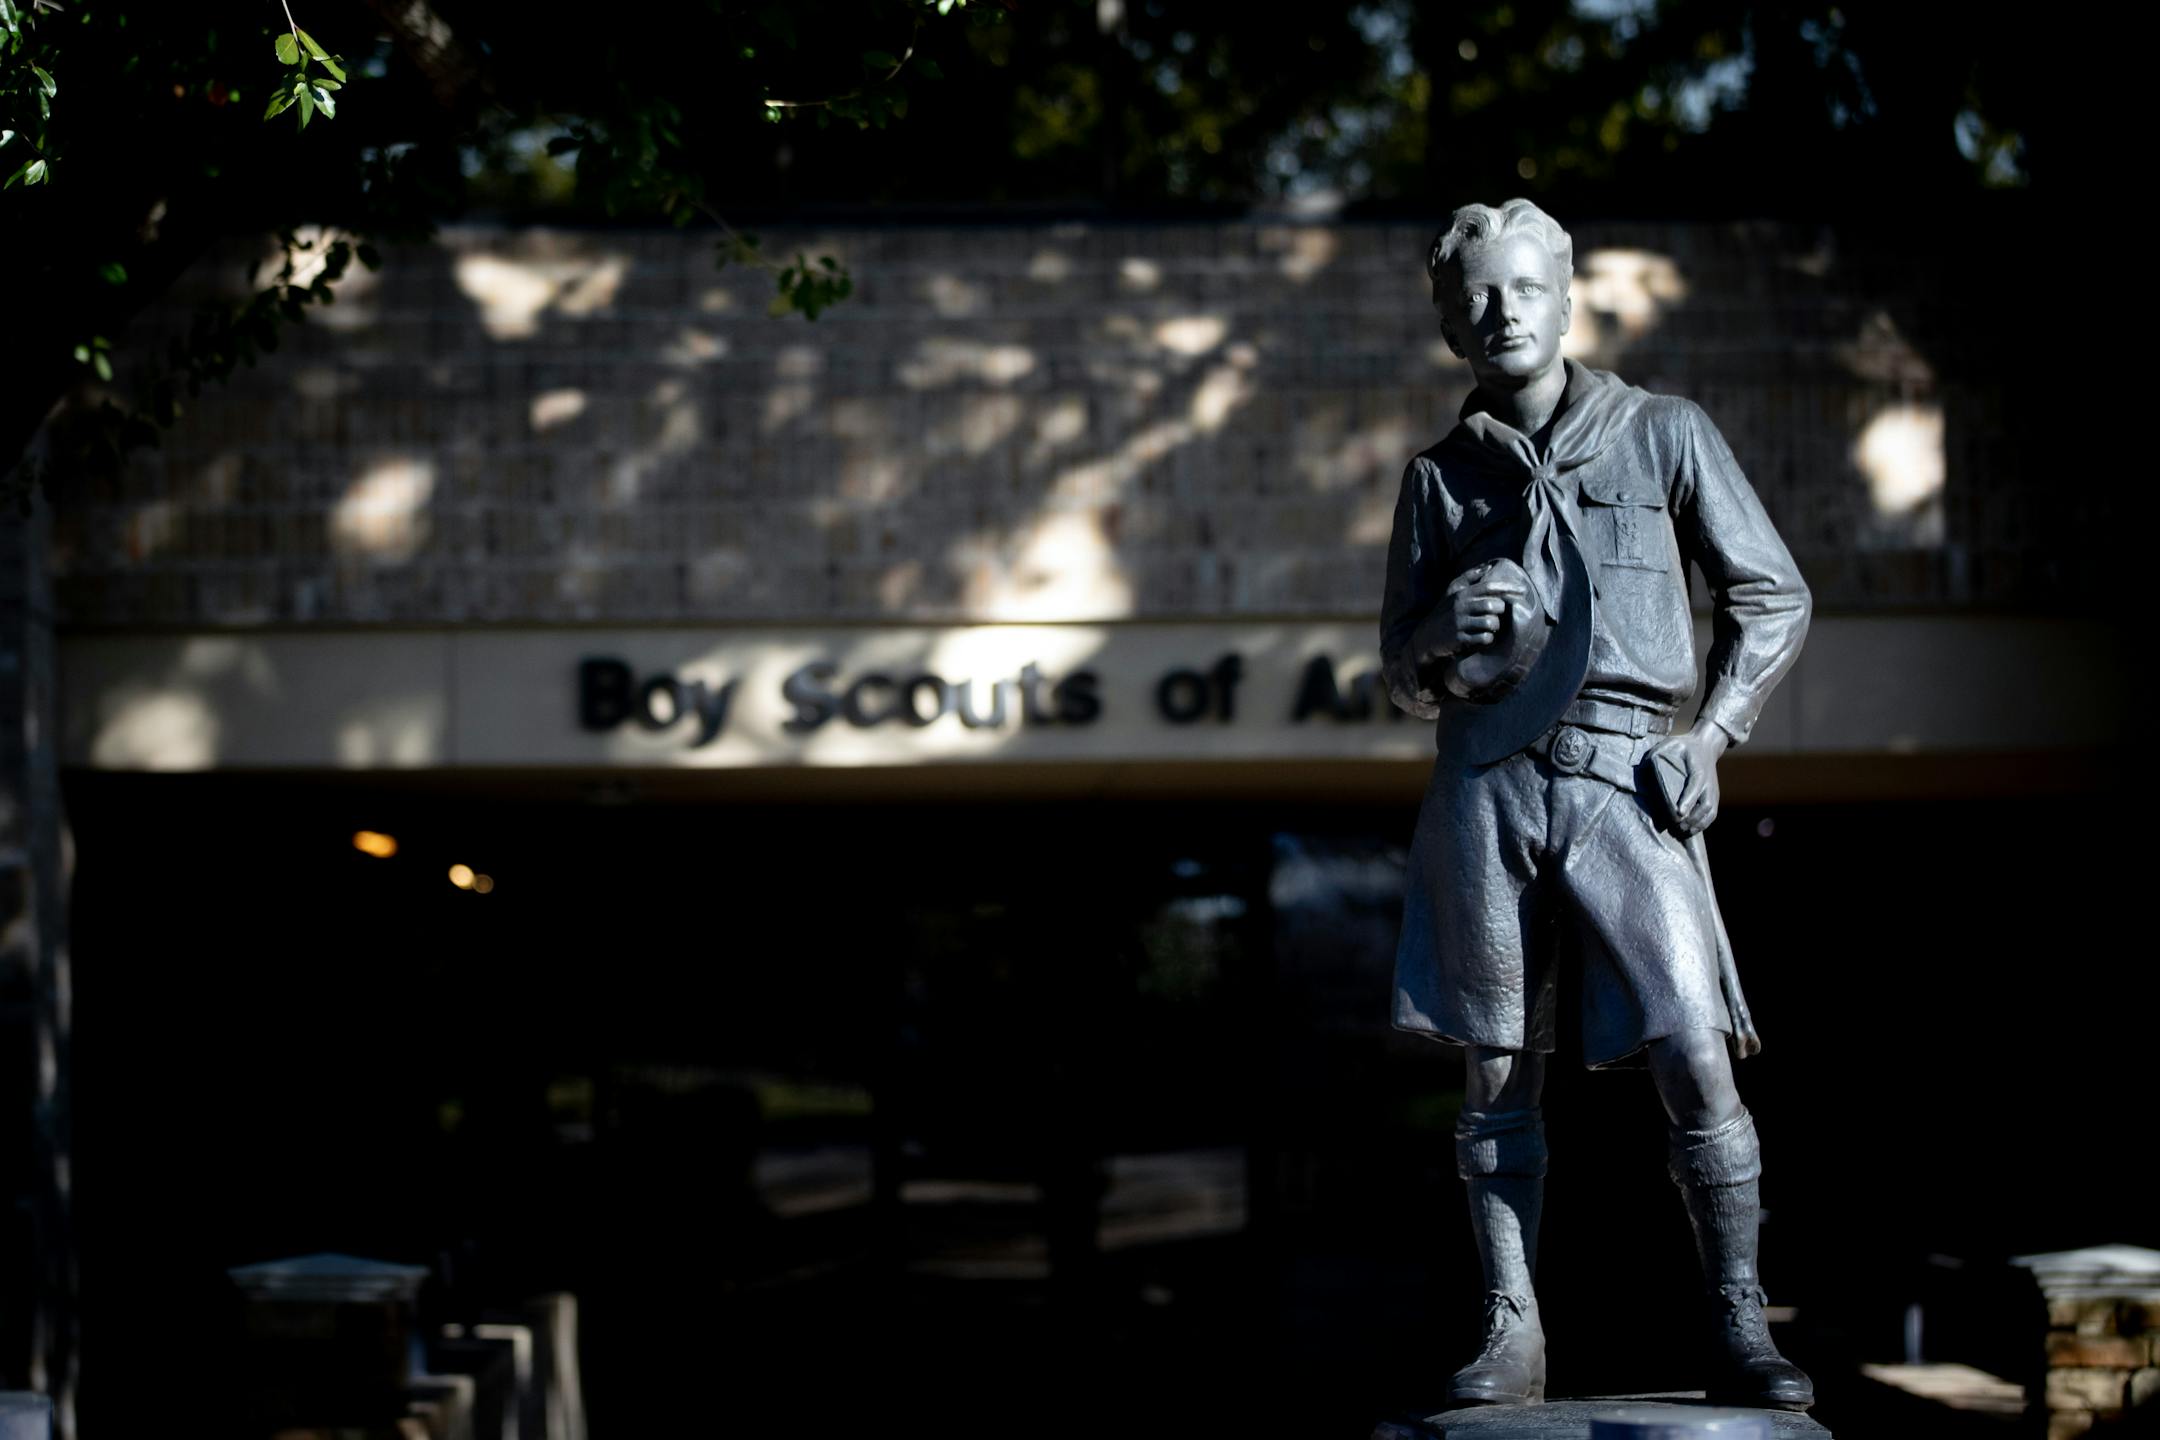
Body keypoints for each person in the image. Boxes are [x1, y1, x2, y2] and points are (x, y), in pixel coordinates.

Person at [1378, 198, 1814, 1412]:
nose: (1502, 311)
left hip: (1628, 774)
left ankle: (1739, 1316)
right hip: (1487, 784)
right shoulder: (1439, 478)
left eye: (1524, 287)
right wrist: (1435, 633)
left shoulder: (1664, 433)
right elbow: (1399, 673)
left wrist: (1713, 735)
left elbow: (1771, 595)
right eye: (1476, 297)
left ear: (1568, 302)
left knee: (1695, 1050)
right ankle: (1510, 1325)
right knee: (1494, 1070)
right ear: (1450, 325)